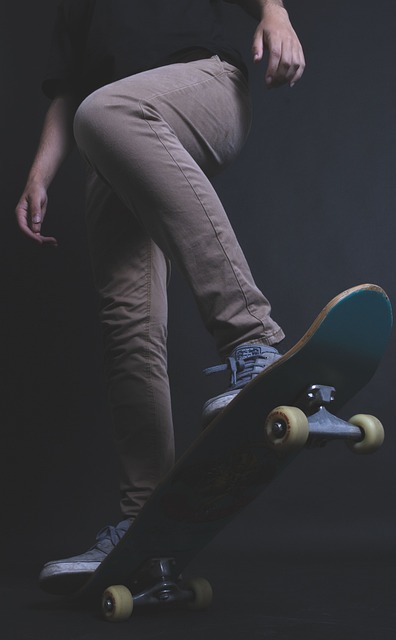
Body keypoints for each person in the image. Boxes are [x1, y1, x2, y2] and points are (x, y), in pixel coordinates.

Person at [15, 0, 305, 594]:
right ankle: (145, 532)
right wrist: (38, 176)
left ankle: (252, 341)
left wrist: (276, 13)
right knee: (127, 320)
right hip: (111, 138)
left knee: (108, 109)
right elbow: (67, 91)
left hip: (202, 86)